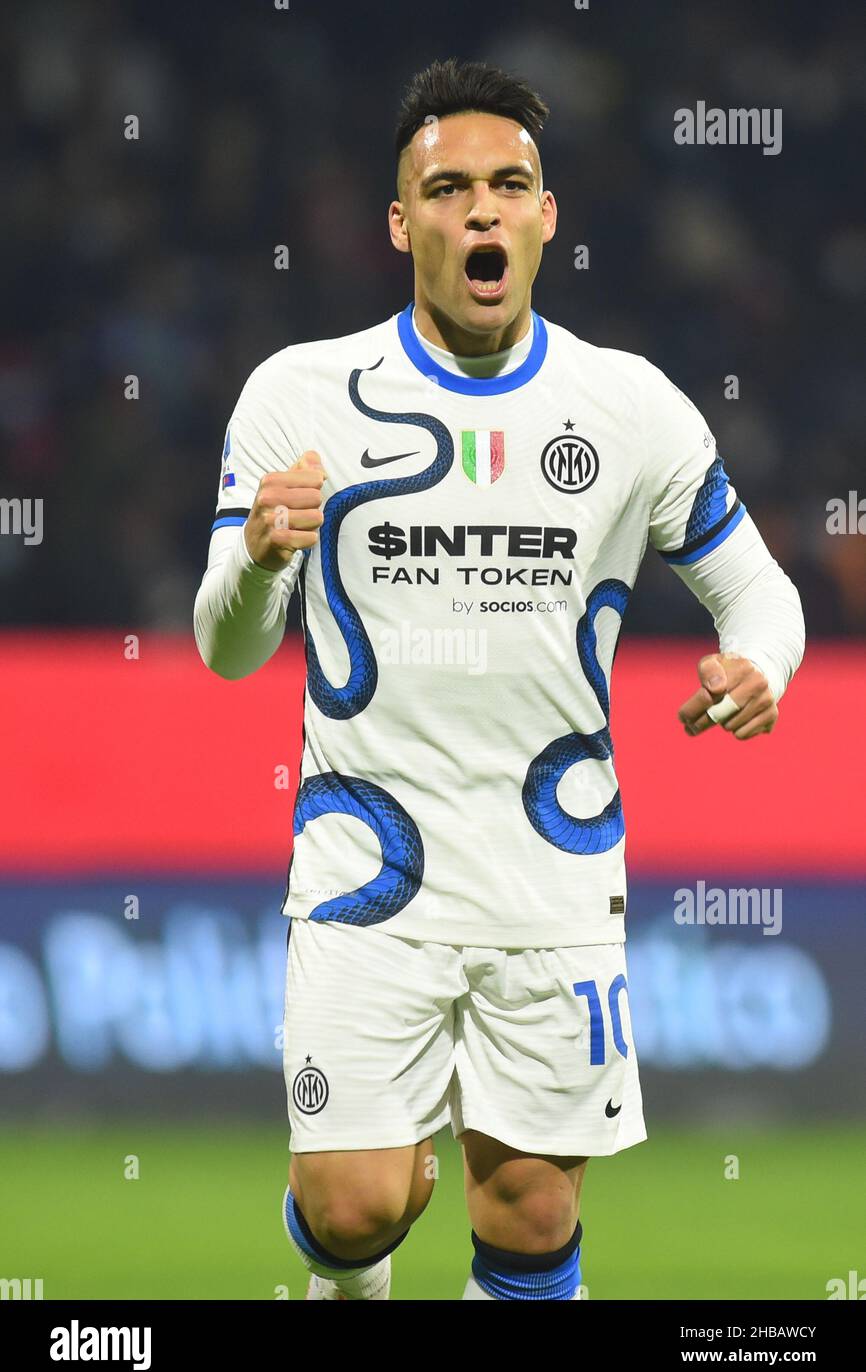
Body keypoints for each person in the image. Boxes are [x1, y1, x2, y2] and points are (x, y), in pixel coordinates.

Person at [193, 56, 805, 1301]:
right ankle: (343, 1272)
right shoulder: (298, 395)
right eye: (449, 188)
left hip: (554, 873)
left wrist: (763, 664)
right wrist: (258, 556)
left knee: (527, 1218)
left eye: (508, 185)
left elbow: (761, 591)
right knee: (354, 1204)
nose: (481, 210)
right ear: (399, 221)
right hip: (369, 863)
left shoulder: (627, 406)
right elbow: (226, 647)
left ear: (545, 217)